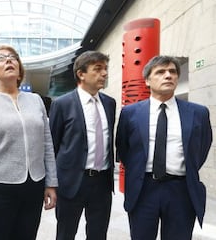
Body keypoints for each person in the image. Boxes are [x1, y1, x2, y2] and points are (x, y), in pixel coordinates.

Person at [0, 44, 58, 240]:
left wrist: (51, 183)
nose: (9, 60)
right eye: (1, 58)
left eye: (13, 57)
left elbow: (47, 145)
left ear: (19, 70)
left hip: (34, 186)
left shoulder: (36, 101)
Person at [116, 55, 212, 240]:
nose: (168, 75)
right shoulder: (130, 113)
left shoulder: (198, 113)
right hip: (143, 189)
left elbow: (202, 148)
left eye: (173, 72)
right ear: (147, 81)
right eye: (160, 72)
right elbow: (124, 148)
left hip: (181, 191)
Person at [49, 51, 116, 240]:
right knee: (65, 233)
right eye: (98, 69)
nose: (104, 73)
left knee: (98, 234)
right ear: (81, 74)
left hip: (102, 183)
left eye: (105, 69)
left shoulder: (109, 103)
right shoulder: (62, 104)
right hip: (71, 183)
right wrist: (51, 184)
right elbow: (52, 146)